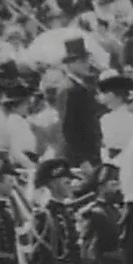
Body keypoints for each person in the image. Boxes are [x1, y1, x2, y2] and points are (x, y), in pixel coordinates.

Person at [56, 38, 102, 167]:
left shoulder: (81, 86)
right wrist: (81, 160)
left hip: (89, 153)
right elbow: (68, 130)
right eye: (82, 61)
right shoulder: (69, 88)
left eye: (86, 60)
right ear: (70, 64)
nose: (87, 64)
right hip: (78, 158)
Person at [97, 69, 133, 161]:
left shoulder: (121, 117)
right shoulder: (112, 116)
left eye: (103, 93)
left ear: (111, 95)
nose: (100, 97)